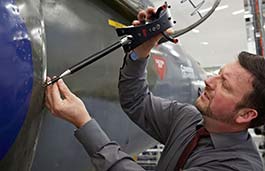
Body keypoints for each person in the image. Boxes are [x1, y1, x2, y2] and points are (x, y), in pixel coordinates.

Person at [45, 8, 265, 171]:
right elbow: (136, 101)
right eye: (218, 73)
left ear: (246, 114)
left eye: (224, 84)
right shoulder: (188, 119)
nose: (209, 81)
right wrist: (141, 52)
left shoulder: (239, 167)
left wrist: (84, 123)